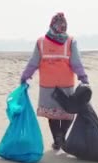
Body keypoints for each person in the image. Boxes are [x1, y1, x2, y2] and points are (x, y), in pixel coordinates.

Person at [19, 12, 89, 150]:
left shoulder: (41, 42)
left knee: (53, 114)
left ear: (51, 25)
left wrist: (25, 76)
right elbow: (76, 63)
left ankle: (57, 139)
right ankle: (62, 135)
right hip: (66, 84)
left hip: (47, 86)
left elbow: (33, 62)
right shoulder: (70, 41)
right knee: (69, 112)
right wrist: (83, 77)